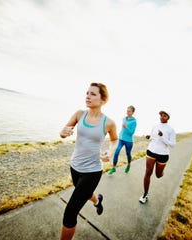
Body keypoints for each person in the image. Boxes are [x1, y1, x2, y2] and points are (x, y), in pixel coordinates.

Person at [59, 82, 118, 240]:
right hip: (75, 167)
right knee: (84, 194)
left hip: (92, 171)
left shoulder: (109, 123)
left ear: (102, 99)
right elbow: (64, 131)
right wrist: (63, 133)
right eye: (87, 93)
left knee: (70, 212)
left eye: (93, 94)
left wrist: (110, 152)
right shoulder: (79, 114)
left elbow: (114, 140)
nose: (88, 96)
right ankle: (97, 200)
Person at [139, 110, 176, 204]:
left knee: (158, 175)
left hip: (163, 154)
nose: (162, 117)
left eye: (164, 116)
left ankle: (161, 172)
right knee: (148, 172)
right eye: (161, 115)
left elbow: (172, 144)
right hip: (151, 151)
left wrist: (163, 137)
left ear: (168, 118)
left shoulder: (171, 130)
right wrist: (149, 137)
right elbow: (153, 137)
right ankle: (145, 194)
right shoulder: (155, 126)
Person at [108, 105, 137, 174]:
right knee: (116, 152)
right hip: (121, 139)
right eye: (127, 111)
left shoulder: (134, 121)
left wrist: (126, 127)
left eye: (129, 111)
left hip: (129, 141)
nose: (127, 112)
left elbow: (131, 133)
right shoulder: (124, 118)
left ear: (133, 112)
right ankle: (114, 168)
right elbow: (122, 129)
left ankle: (129, 164)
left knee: (128, 154)